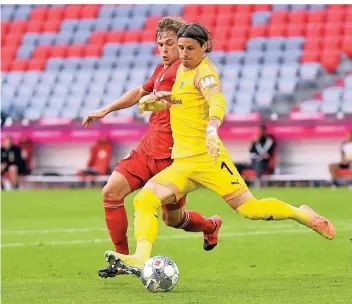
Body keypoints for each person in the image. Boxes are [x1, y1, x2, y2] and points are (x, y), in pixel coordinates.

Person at [104, 22, 335, 277]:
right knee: (144, 199)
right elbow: (183, 103)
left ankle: (301, 214)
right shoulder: (180, 69)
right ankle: (140, 258)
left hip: (209, 160)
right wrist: (158, 102)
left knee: (251, 210)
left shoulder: (205, 73)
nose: (183, 53)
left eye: (190, 48)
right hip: (182, 164)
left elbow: (216, 99)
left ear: (204, 47)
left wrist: (213, 128)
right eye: (180, 47)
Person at [82, 17, 221, 278]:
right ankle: (121, 260)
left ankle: (211, 225)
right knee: (110, 193)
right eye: (161, 44)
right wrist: (107, 109)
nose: (166, 49)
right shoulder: (160, 70)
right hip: (147, 150)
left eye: (171, 44)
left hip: (172, 158)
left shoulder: (190, 72)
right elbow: (139, 91)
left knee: (174, 219)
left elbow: (209, 97)